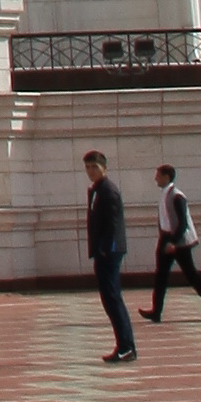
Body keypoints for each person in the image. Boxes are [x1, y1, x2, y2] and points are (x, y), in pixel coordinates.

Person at [144, 163, 201, 325]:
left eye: (158, 174)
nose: (155, 178)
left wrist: (173, 242)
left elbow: (182, 223)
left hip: (179, 241)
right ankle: (156, 311)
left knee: (191, 274)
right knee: (161, 275)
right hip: (166, 237)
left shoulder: (177, 196)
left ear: (166, 177)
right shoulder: (165, 194)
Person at [83, 151, 138, 362]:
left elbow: (114, 223)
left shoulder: (108, 190)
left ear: (104, 168)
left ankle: (126, 346)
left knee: (113, 298)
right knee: (109, 298)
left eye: (94, 167)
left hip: (109, 251)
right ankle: (123, 345)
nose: (91, 171)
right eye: (88, 167)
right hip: (102, 251)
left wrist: (106, 248)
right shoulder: (96, 190)